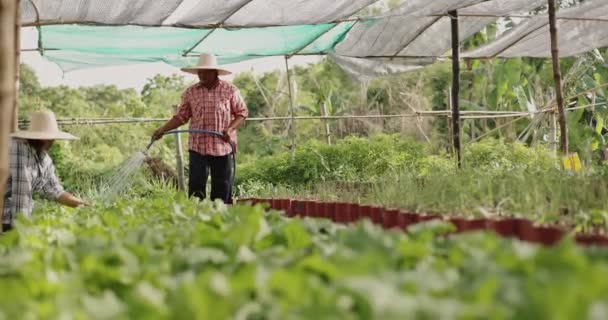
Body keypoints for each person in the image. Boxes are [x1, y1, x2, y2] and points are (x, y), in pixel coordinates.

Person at [152, 53, 248, 204]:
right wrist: (162, 130)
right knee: (196, 185)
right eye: (199, 72)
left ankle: (221, 218)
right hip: (198, 146)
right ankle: (196, 217)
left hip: (222, 146)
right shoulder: (191, 92)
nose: (201, 75)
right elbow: (181, 117)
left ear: (215, 72)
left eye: (205, 72)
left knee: (222, 186)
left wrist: (229, 130)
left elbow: (242, 113)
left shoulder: (230, 90)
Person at [2, 110, 89, 232]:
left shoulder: (44, 158)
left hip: (16, 221)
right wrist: (21, 233)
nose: (51, 141)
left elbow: (55, 190)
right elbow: (21, 198)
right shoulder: (17, 148)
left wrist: (80, 203)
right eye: (47, 137)